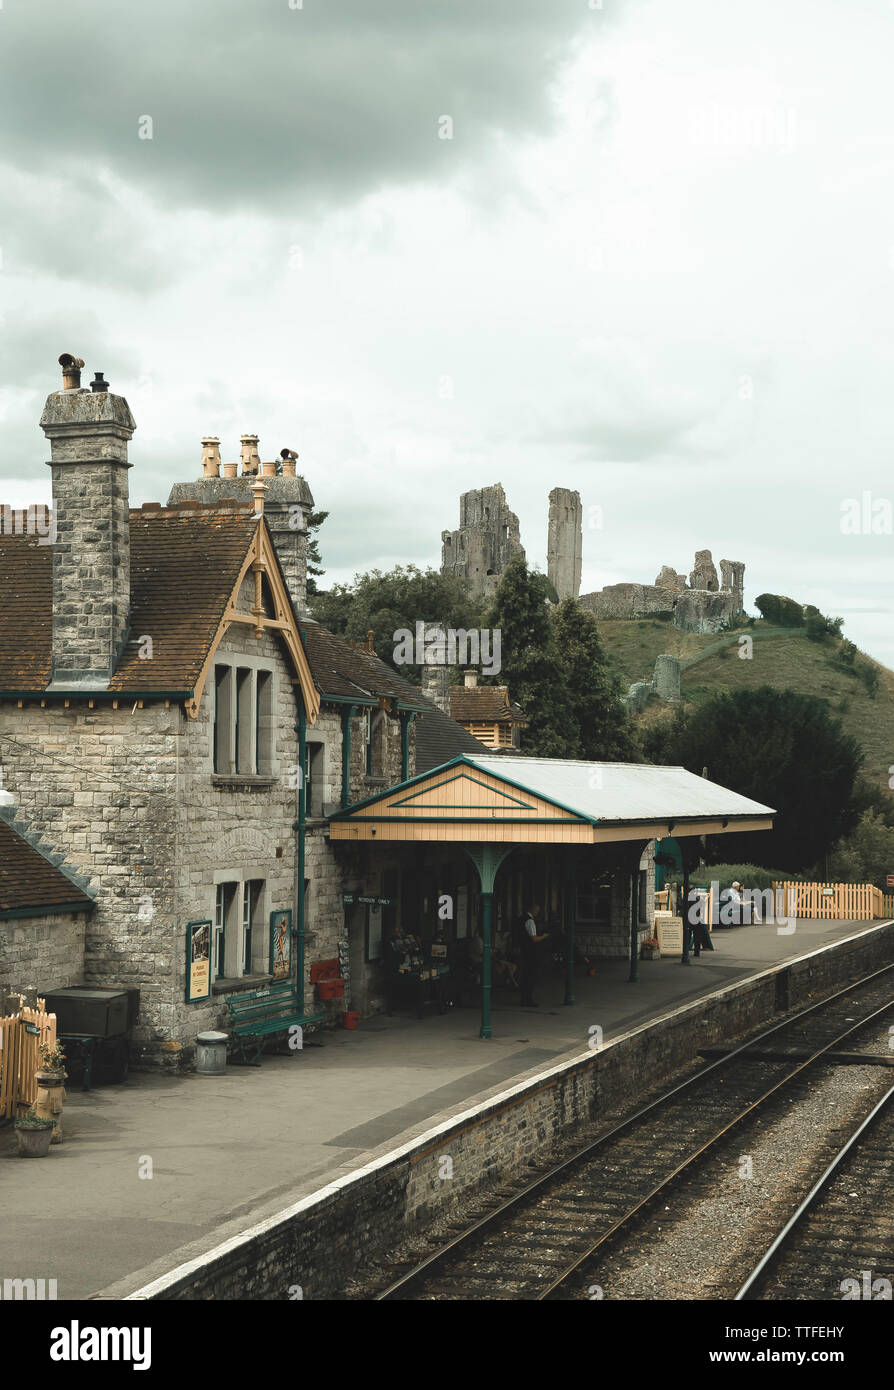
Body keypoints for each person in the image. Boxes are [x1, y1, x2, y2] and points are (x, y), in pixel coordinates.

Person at [517, 902, 549, 1007]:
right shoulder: (529, 921)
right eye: (537, 910)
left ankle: (524, 998)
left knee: (525, 975)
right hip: (531, 952)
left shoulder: (521, 918)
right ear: (533, 909)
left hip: (523, 950)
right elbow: (534, 938)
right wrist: (544, 936)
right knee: (531, 975)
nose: (537, 912)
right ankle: (528, 999)